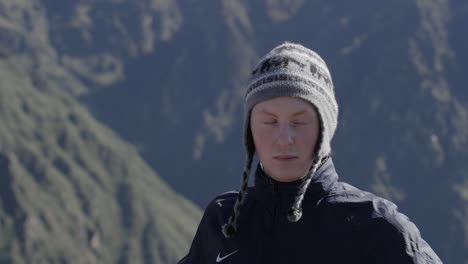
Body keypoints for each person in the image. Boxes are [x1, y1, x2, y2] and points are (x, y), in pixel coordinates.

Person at [178, 42, 443, 263]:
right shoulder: (224, 220)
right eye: (269, 122)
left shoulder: (378, 229)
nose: (284, 139)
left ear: (326, 129)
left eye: (300, 122)